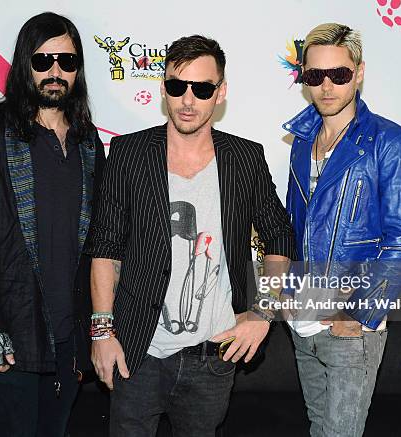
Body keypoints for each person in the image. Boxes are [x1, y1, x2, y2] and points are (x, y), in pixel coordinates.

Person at [88, 35, 296, 436]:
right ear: (163, 87)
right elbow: (105, 247)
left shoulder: (244, 157)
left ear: (220, 93)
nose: (187, 100)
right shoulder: (129, 152)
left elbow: (280, 235)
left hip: (213, 355)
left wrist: (264, 313)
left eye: (201, 88)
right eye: (176, 86)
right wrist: (102, 333)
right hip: (137, 349)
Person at [0, 12, 105, 437]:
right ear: (23, 65)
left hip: (69, 344)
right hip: (9, 340)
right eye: (43, 60)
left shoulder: (90, 143)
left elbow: (98, 246)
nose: (55, 71)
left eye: (67, 62)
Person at [282, 23, 401, 436]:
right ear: (304, 78)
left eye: (339, 74)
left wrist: (360, 310)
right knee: (317, 427)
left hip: (351, 325)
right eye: (315, 76)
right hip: (303, 318)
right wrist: (287, 293)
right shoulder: (300, 140)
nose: (326, 86)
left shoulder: (390, 142)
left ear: (358, 73)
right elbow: (294, 224)